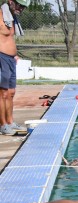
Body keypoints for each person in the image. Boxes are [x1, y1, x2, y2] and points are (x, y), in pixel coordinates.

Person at [0, 0, 29, 135]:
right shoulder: (0, 15)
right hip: (1, 58)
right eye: (19, 5)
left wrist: (15, 55)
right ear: (11, 1)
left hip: (11, 59)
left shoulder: (11, 18)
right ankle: (3, 124)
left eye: (23, 6)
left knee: (11, 93)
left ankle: (11, 122)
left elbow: (9, 39)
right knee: (3, 93)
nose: (21, 8)